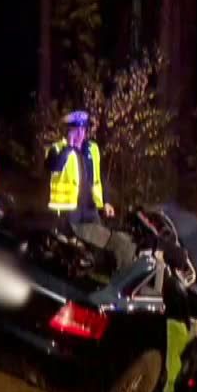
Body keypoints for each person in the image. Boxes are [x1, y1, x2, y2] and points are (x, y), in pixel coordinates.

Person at [46, 110, 137, 271]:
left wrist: (107, 201)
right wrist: (70, 147)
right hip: (70, 213)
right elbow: (53, 167)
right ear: (68, 130)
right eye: (76, 129)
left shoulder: (91, 149)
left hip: (90, 209)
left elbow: (99, 177)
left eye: (84, 129)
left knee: (102, 246)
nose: (81, 133)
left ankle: (108, 273)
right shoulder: (58, 149)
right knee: (99, 244)